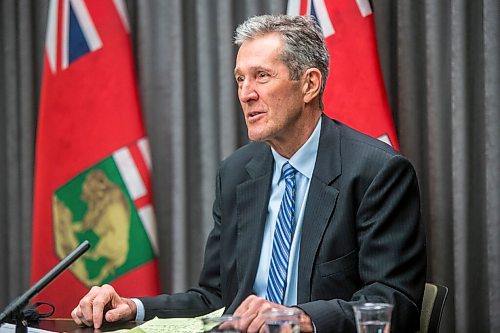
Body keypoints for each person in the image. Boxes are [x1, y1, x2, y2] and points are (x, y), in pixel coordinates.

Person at [71, 14, 426, 333]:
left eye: (261, 76)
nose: (245, 93)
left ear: (309, 85)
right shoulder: (238, 172)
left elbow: (392, 303)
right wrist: (133, 308)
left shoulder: (377, 172)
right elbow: (215, 298)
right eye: (240, 79)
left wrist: (301, 318)